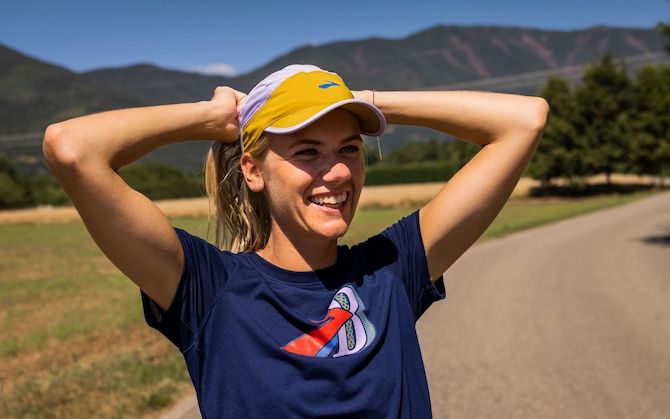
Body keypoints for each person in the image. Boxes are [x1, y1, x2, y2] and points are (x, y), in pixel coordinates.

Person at [43, 63, 549, 418]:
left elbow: (525, 120)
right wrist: (213, 118)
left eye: (349, 148)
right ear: (253, 170)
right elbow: (71, 149)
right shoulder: (205, 288)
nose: (337, 172)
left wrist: (363, 102)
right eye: (308, 151)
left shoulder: (392, 270)